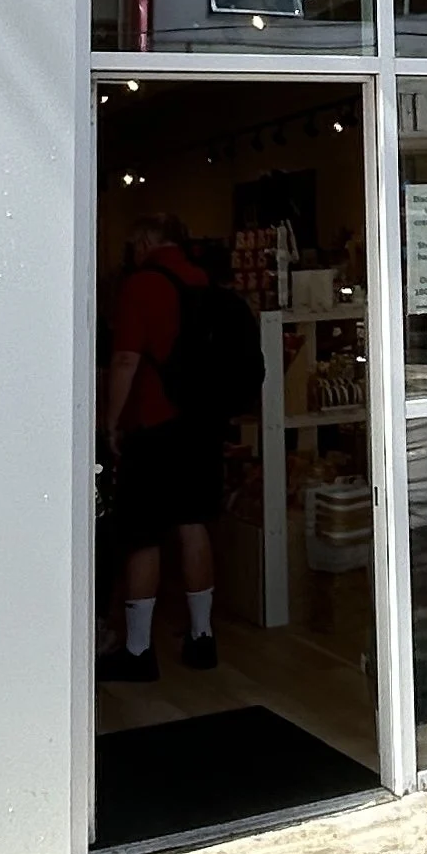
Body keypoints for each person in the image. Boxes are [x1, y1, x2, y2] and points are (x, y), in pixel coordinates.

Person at [102, 221, 262, 677]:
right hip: (201, 424)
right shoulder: (201, 279)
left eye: (134, 241)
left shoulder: (142, 284)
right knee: (193, 524)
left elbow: (127, 358)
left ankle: (137, 651)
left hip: (153, 422)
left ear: (149, 240)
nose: (132, 249)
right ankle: (201, 637)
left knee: (144, 533)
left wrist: (113, 421)